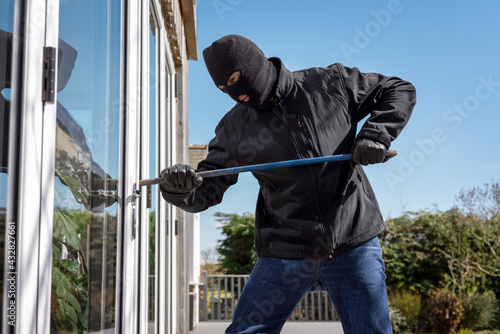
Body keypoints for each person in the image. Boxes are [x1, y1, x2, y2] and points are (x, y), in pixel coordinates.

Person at [159, 34, 416, 334]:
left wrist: (376, 134)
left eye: (235, 78)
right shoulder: (234, 128)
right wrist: (179, 189)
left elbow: (399, 89)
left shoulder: (330, 84)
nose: (235, 92)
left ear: (254, 64)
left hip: (352, 241)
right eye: (223, 88)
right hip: (285, 250)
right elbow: (206, 188)